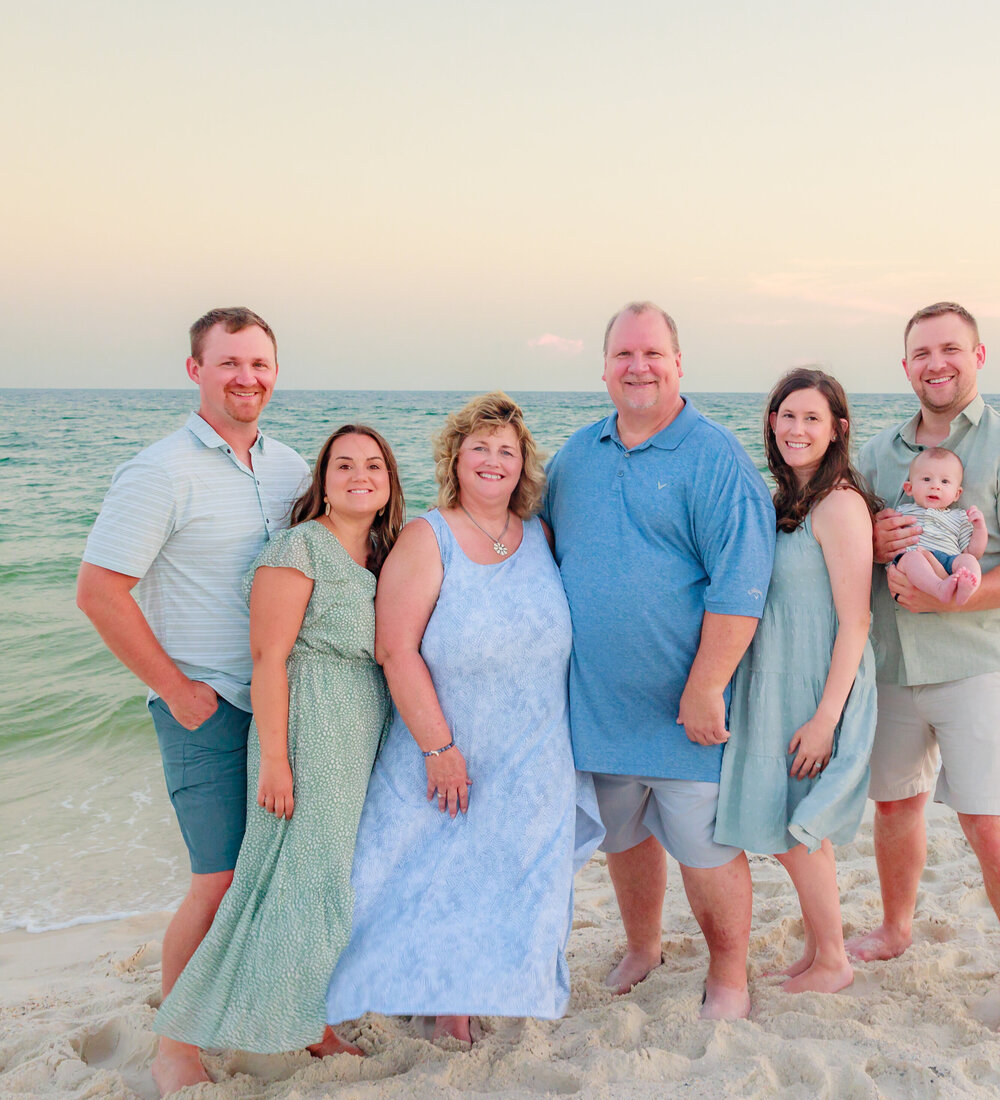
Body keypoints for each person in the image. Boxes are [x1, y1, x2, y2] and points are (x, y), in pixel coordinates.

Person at [76, 307, 309, 1095]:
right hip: (206, 709)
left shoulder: (291, 469)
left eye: (260, 364)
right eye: (230, 363)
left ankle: (289, 1016)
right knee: (218, 878)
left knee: (283, 871)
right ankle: (176, 1044)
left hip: (285, 705)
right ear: (195, 371)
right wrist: (175, 690)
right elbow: (100, 592)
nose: (248, 377)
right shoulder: (158, 471)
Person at [326, 393, 603, 1043]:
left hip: (535, 749)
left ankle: (486, 994)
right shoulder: (429, 536)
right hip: (447, 746)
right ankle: (428, 1006)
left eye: (506, 450)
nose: (492, 460)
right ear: (455, 457)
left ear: (523, 466)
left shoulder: (541, 536)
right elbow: (395, 649)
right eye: (479, 447)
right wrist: (438, 747)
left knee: (513, 880)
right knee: (418, 876)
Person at [543, 302, 776, 1021]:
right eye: (623, 356)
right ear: (604, 367)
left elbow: (742, 584)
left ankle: (730, 975)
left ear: (678, 364)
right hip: (600, 706)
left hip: (686, 709)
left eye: (652, 354)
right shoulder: (575, 458)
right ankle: (643, 947)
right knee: (625, 837)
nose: (638, 367)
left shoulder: (715, 458)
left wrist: (707, 686)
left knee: (705, 849)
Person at [154, 425, 403, 1062]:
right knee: (301, 878)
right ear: (321, 480)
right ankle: (287, 1026)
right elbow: (268, 660)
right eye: (343, 464)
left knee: (324, 878)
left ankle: (300, 1011)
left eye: (373, 465)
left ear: (389, 483)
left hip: (357, 731)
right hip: (311, 727)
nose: (359, 475)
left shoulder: (382, 553)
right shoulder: (298, 550)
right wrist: (275, 761)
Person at [847, 301, 1000, 1031]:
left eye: (950, 349)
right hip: (893, 663)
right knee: (897, 809)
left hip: (979, 662)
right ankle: (896, 927)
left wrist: (949, 607)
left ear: (977, 355)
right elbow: (845, 545)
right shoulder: (878, 454)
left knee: (992, 829)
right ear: (906, 366)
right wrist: (872, 541)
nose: (936, 363)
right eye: (921, 353)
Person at [716, 368, 879, 995]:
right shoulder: (786, 501)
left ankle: (834, 958)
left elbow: (856, 620)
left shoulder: (838, 504)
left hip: (816, 685)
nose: (796, 428)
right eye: (787, 416)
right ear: (771, 423)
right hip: (778, 679)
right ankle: (818, 950)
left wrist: (824, 719)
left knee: (797, 830)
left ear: (837, 428)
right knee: (794, 824)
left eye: (812, 418)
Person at [892, 447, 987, 606]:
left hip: (948, 560)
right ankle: (939, 588)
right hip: (913, 558)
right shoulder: (901, 512)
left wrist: (979, 528)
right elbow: (889, 542)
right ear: (909, 488)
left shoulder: (959, 517)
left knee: (968, 560)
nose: (935, 486)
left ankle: (968, 587)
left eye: (945, 481)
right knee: (912, 558)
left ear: (957, 494)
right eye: (927, 479)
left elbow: (973, 552)